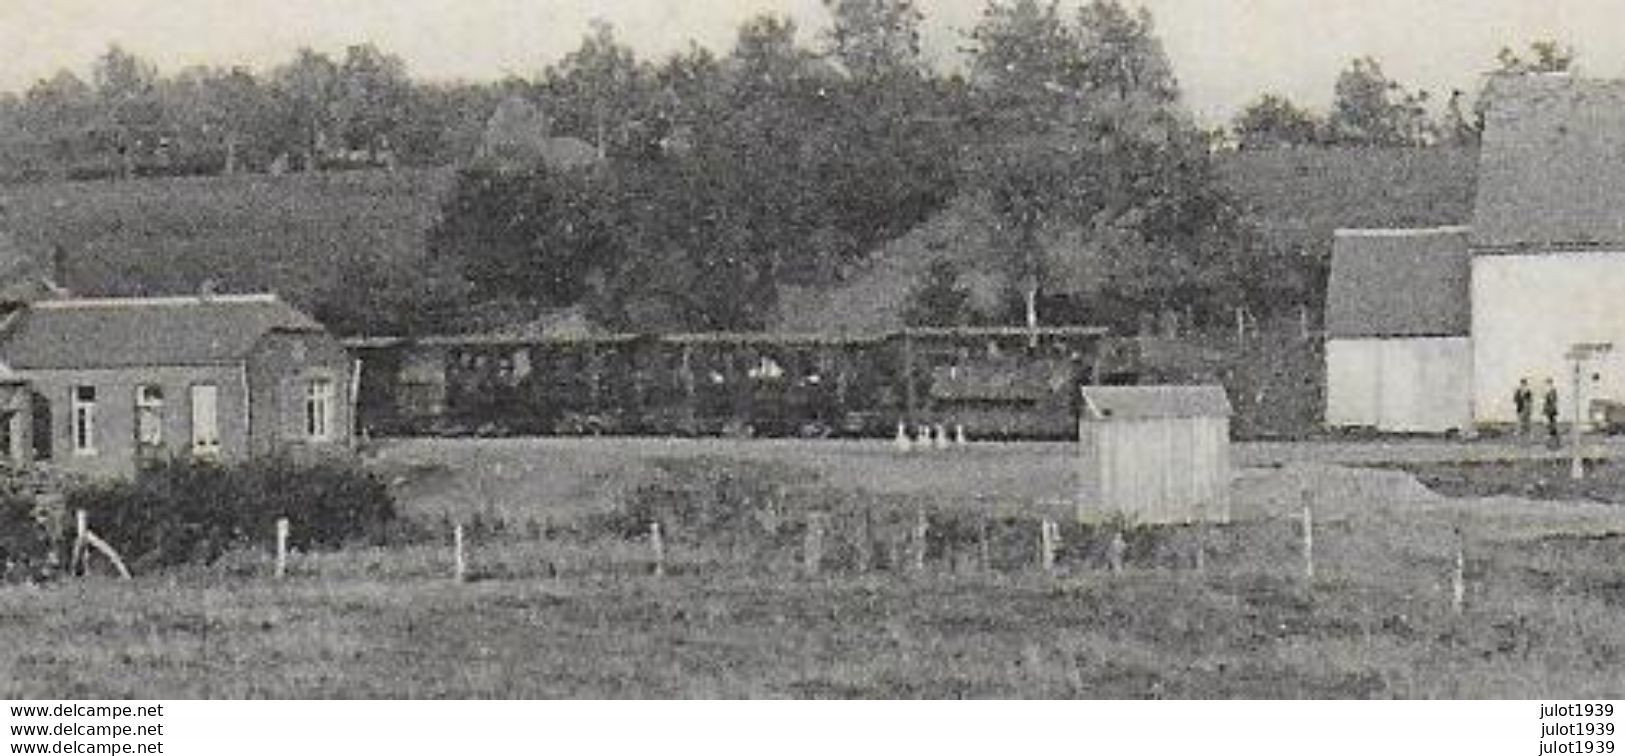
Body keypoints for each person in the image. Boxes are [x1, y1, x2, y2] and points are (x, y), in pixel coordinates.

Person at [1543, 378, 1561, 448]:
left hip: (1551, 408)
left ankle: (1553, 433)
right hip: (1548, 408)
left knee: (1551, 420)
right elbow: (1546, 400)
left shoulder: (1552, 390)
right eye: (1547, 383)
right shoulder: (1548, 390)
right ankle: (1551, 433)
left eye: (1549, 383)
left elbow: (1553, 399)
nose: (1548, 384)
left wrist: (1549, 399)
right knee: (1549, 420)